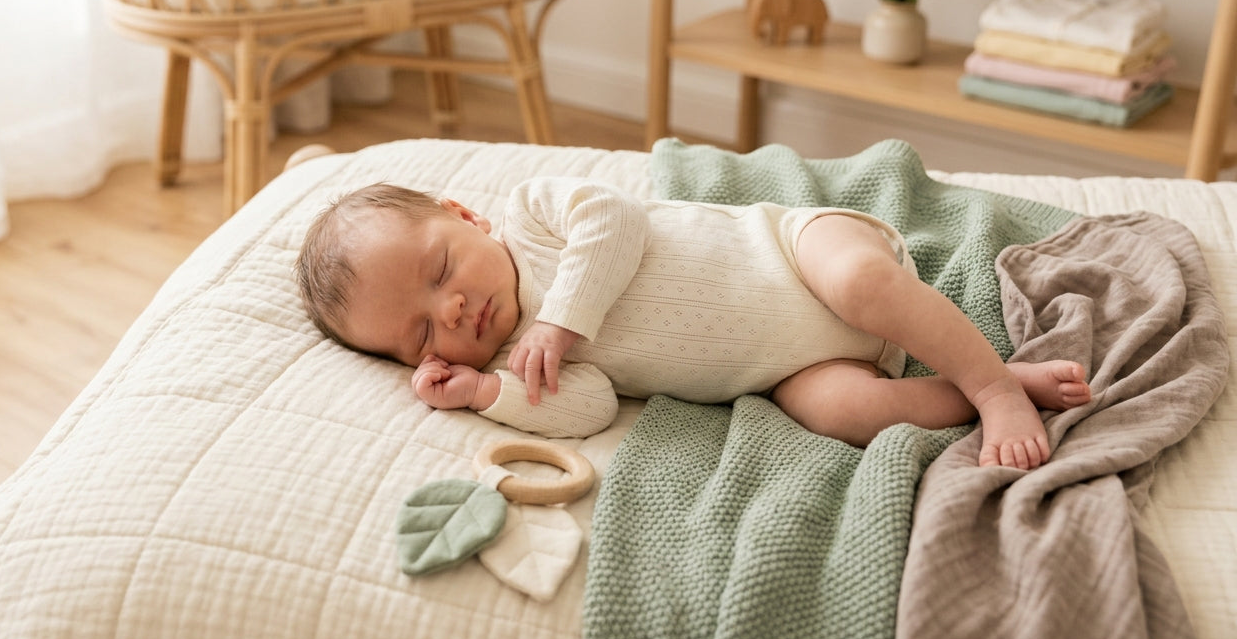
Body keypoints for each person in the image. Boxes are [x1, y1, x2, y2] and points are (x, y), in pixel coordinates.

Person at [295, 178, 1091, 470]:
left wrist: (561, 322)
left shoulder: (533, 219)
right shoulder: (517, 361)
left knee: (859, 284)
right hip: (789, 365)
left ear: (464, 214)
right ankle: (978, 381)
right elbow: (590, 409)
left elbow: (618, 222)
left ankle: (992, 389)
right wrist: (482, 392)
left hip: (795, 250)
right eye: (421, 336)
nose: (453, 311)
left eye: (440, 272)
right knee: (843, 413)